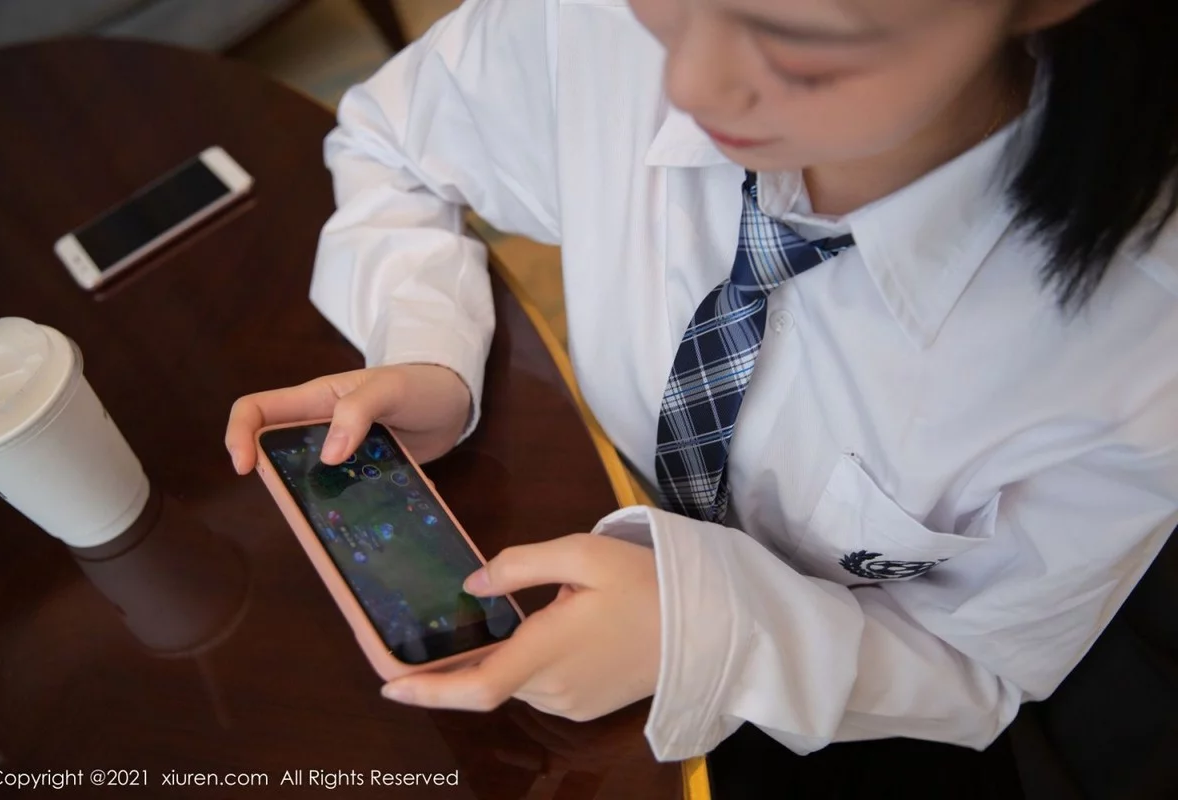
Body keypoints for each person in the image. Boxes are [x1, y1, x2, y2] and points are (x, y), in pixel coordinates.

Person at [224, 0, 1178, 768]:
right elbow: (389, 142)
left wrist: (707, 636)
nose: (686, 85)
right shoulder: (600, 28)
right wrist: (429, 349)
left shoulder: (1140, 352)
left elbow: (977, 659)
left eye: (798, 39)